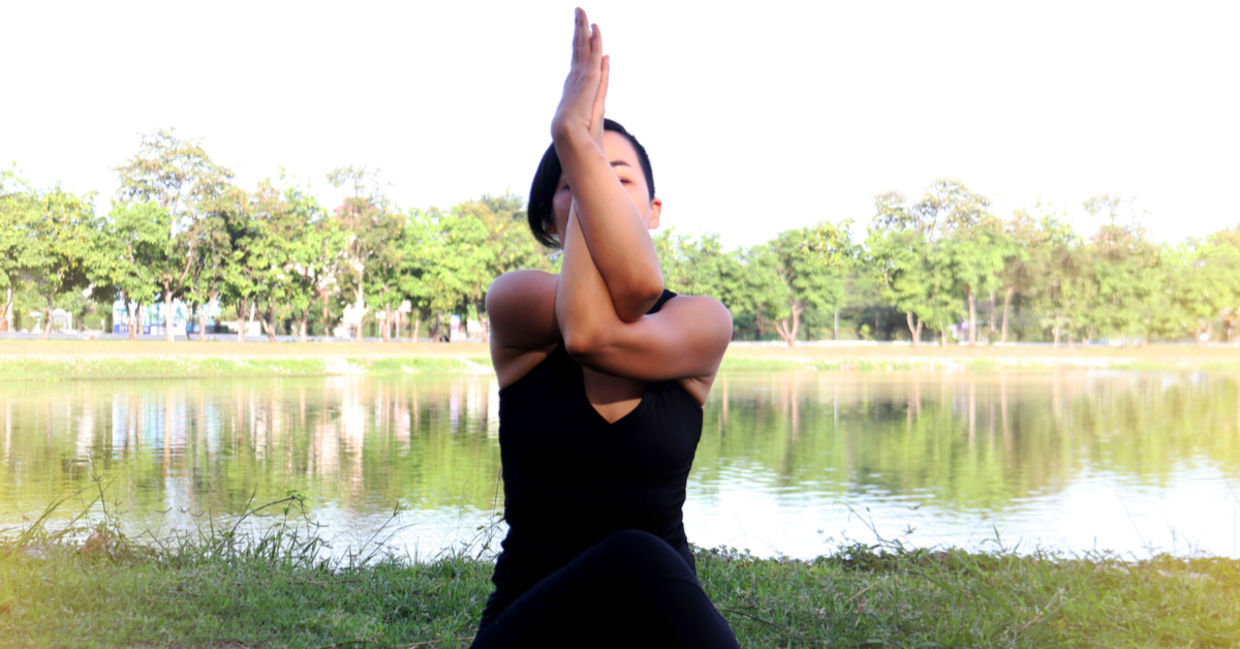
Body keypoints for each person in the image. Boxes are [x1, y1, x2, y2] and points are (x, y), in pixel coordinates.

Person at [469, 8, 738, 649]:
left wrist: (576, 135)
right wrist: (574, 138)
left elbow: (626, 304)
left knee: (645, 561)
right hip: (528, 627)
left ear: (653, 210)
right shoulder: (517, 301)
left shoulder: (702, 321)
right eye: (572, 181)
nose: (595, 191)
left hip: (658, 630)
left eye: (619, 179)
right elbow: (586, 330)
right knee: (637, 554)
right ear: (550, 217)